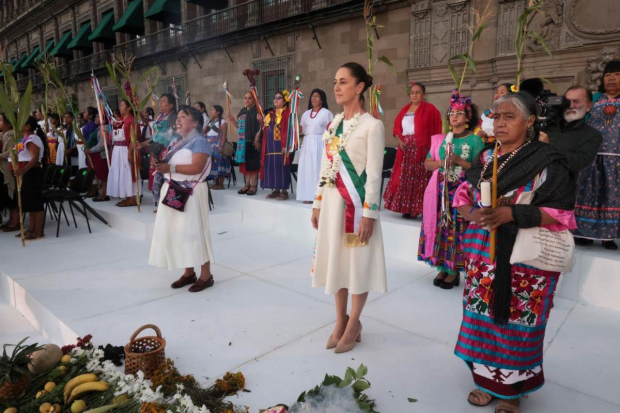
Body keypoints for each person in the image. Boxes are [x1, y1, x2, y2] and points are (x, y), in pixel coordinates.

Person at [453, 92, 576, 413]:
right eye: (496, 115)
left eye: (510, 116)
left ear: (530, 121)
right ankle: (485, 381)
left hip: (526, 259)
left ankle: (511, 392)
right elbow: (462, 197)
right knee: (482, 315)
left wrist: (514, 214)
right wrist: (474, 215)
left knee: (516, 317)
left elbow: (562, 213)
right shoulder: (485, 158)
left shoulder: (546, 160)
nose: (500, 122)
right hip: (483, 254)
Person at [311, 62, 386, 354]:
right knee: (337, 261)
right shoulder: (333, 125)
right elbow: (326, 165)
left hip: (357, 211)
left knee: (357, 262)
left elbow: (376, 174)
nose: (336, 87)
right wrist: (317, 203)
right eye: (335, 81)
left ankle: (354, 322)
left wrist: (369, 214)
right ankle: (339, 319)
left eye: (343, 82)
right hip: (332, 206)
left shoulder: (373, 125)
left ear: (359, 87)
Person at [418, 89, 485, 289]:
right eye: (451, 113)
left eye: (459, 113)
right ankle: (442, 266)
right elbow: (429, 163)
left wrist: (457, 160)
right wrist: (442, 163)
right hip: (441, 191)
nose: (453, 117)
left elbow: (480, 169)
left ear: (468, 117)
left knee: (456, 229)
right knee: (442, 227)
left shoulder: (475, 140)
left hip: (461, 192)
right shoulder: (442, 138)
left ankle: (454, 270)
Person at [149, 105, 215, 293]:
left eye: (183, 117)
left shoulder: (200, 141)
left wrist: (169, 168)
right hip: (176, 190)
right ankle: (189, 272)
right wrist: (162, 165)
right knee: (181, 233)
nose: (178, 120)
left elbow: (197, 168)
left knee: (195, 232)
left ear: (195, 122)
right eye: (177, 116)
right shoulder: (179, 142)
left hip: (191, 193)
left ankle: (206, 275)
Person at [573, 61, 620, 250]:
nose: (611, 78)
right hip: (590, 156)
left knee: (612, 196)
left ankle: (609, 236)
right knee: (587, 194)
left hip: (616, 158)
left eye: (616, 74)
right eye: (608, 74)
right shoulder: (594, 98)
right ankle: (583, 234)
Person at [383, 82, 442, 218]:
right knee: (405, 178)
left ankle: (419, 208)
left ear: (423, 94)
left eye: (418, 92)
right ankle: (406, 208)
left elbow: (436, 128)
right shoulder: (404, 110)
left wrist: (432, 149)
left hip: (421, 150)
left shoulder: (431, 109)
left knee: (419, 178)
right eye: (412, 92)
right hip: (405, 150)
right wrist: (399, 141)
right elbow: (396, 129)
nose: (414, 95)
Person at [539, 86, 603, 180]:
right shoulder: (546, 126)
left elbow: (577, 163)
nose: (570, 106)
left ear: (588, 106)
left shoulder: (593, 135)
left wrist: (549, 147)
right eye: (567, 102)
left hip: (560, 188)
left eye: (576, 101)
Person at [8, 116, 50, 241]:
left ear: (28, 126)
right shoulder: (23, 139)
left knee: (35, 201)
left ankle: (38, 231)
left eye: (21, 123)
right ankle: (31, 228)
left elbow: (34, 158)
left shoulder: (33, 138)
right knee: (29, 202)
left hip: (32, 173)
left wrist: (23, 170)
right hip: (25, 173)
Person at [135, 94, 177, 207]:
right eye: (160, 101)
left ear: (171, 105)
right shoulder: (160, 117)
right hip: (156, 150)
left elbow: (174, 136)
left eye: (164, 101)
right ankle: (159, 203)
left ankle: (168, 202)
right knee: (157, 177)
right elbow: (154, 136)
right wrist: (142, 144)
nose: (160, 103)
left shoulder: (173, 118)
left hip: (166, 151)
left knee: (165, 177)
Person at [297, 88, 334, 204]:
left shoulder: (326, 113)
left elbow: (331, 130)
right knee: (307, 169)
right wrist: (294, 123)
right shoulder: (305, 114)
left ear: (322, 100)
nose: (314, 98)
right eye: (312, 96)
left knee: (318, 168)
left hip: (320, 143)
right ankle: (308, 195)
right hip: (307, 143)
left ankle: (319, 196)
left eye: (317, 96)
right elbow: (301, 130)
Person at [107, 100, 141, 207]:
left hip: (125, 149)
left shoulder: (131, 120)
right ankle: (126, 196)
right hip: (117, 150)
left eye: (122, 106)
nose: (120, 108)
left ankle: (132, 197)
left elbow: (133, 139)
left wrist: (130, 153)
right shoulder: (121, 120)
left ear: (129, 108)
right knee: (121, 173)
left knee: (128, 172)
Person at [259, 91, 292, 200]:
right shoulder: (270, 114)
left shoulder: (287, 113)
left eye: (279, 98)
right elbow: (266, 129)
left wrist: (285, 145)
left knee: (281, 167)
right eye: (275, 97)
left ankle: (284, 191)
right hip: (270, 145)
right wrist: (260, 121)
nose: (276, 100)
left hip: (280, 145)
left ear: (284, 101)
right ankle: (276, 189)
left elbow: (288, 129)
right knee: (272, 167)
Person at [229, 92, 262, 196]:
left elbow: (261, 126)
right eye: (245, 98)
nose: (247, 100)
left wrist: (257, 138)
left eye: (250, 98)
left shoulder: (257, 111)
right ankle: (246, 185)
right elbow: (240, 127)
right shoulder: (242, 112)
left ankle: (253, 185)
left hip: (253, 140)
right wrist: (233, 121)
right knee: (245, 163)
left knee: (253, 163)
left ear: (254, 100)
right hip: (242, 141)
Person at [87, 114, 113, 202]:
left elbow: (102, 144)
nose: (95, 118)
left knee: (103, 176)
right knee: (100, 176)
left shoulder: (104, 129)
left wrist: (91, 150)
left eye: (98, 117)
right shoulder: (100, 128)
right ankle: (102, 192)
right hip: (98, 155)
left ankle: (104, 194)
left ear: (104, 120)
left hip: (102, 155)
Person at [205, 105, 230, 190]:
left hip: (218, 143)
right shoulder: (211, 122)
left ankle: (221, 184)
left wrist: (222, 146)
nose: (211, 111)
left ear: (218, 112)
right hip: (210, 144)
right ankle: (216, 183)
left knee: (220, 162)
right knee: (213, 163)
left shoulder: (223, 122)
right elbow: (206, 132)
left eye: (213, 110)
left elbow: (224, 135)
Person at [0, 114, 18, 231]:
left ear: (8, 123)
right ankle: (11, 219)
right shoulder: (3, 134)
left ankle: (15, 220)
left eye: (0, 120)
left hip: (8, 167)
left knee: (12, 194)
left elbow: (12, 151)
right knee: (7, 195)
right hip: (3, 167)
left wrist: (1, 156)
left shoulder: (11, 134)